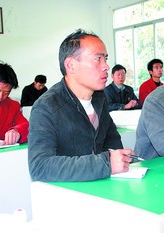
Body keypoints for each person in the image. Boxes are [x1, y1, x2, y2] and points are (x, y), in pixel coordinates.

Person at [28, 29, 134, 182]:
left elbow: (113, 143)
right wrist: (105, 164)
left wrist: (121, 160)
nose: (106, 66)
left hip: (102, 186)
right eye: (97, 59)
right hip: (69, 195)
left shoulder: (99, 98)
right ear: (71, 65)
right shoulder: (47, 107)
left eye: (106, 59)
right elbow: (40, 167)